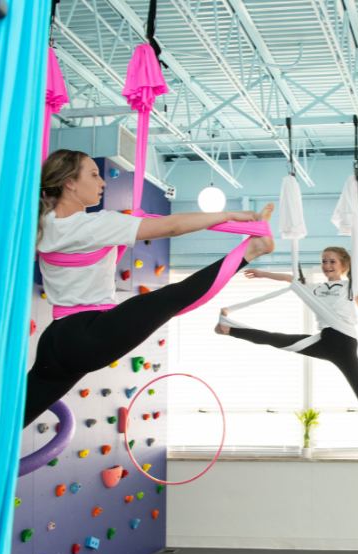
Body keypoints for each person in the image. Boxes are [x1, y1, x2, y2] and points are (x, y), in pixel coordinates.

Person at [23, 149, 273, 427]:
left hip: (54, 341)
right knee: (173, 297)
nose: (102, 183)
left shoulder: (38, 225)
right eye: (94, 175)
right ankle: (252, 249)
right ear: (69, 182)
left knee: (10, 420)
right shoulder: (95, 225)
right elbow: (173, 226)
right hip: (86, 334)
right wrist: (230, 215)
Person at [216, 246, 358, 411]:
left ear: (343, 265)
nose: (327, 266)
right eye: (323, 261)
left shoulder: (351, 287)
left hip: (344, 344)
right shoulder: (315, 288)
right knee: (274, 339)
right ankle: (227, 330)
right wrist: (263, 274)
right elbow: (290, 280)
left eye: (332, 261)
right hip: (324, 341)